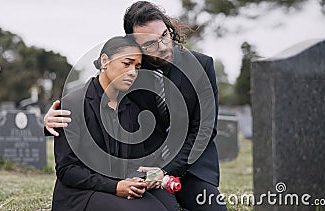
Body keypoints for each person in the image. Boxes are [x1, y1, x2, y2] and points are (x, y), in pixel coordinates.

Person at [46, 2, 227, 210]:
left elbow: (205, 129)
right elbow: (100, 85)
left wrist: (166, 171)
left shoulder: (202, 66)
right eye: (149, 44)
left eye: (164, 35)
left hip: (190, 165)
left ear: (169, 29)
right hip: (143, 167)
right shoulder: (134, 67)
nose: (162, 46)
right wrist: (55, 118)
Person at [52, 36, 175, 211]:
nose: (133, 72)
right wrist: (115, 187)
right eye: (127, 63)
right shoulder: (72, 104)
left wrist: (148, 177)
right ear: (104, 61)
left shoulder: (131, 107)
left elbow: (134, 161)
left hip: (117, 188)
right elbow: (67, 169)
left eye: (137, 67)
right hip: (81, 195)